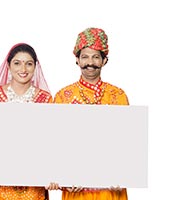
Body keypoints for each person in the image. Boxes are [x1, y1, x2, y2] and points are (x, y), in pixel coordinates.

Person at [0, 43, 59, 200]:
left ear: (35, 67)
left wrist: (50, 174)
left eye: (28, 64)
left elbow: (50, 142)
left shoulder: (45, 99)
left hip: (32, 185)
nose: (23, 69)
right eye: (17, 63)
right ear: (8, 66)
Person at [54, 27, 129, 200]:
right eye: (85, 57)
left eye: (96, 57)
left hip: (110, 188)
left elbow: (126, 140)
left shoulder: (118, 95)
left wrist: (124, 173)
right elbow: (55, 142)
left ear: (104, 61)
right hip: (75, 188)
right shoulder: (62, 96)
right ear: (77, 60)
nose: (90, 62)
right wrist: (61, 177)